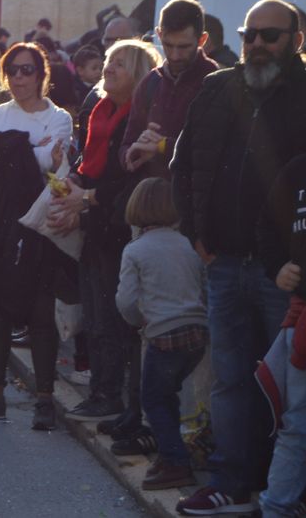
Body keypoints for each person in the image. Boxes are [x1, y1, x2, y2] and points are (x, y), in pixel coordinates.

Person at [171, 0, 306, 516]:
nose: (256, 45)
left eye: (269, 35)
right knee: (231, 378)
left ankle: (287, 489)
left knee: (288, 388)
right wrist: (195, 231)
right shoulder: (216, 89)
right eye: (248, 34)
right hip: (225, 263)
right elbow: (183, 164)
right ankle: (229, 482)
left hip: (288, 275)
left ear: (295, 40)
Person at [0, 42, 74, 430]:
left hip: (39, 224)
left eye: (29, 70)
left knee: (42, 312)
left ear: (42, 75)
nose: (21, 77)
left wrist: (7, 151)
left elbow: (57, 161)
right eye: (14, 70)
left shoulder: (58, 118)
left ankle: (45, 399)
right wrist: (32, 153)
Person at [51, 40, 159, 441]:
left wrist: (88, 195)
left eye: (119, 64)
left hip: (119, 230)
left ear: (140, 76)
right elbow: (89, 165)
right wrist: (73, 180)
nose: (108, 69)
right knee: (94, 317)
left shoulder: (137, 120)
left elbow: (127, 180)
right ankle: (101, 391)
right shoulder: (99, 112)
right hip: (94, 227)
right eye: (108, 62)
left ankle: (114, 396)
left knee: (115, 319)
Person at [252, 64, 306, 518]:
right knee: (300, 425)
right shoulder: (299, 170)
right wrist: (276, 267)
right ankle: (276, 508)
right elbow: (267, 228)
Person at [114, 178, 209, 491]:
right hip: (197, 332)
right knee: (167, 395)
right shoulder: (188, 244)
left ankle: (175, 460)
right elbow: (205, 286)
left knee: (153, 399)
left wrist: (140, 320)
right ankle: (173, 453)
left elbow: (125, 300)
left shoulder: (135, 250)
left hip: (163, 335)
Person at [121, 0, 217, 181]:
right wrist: (132, 153)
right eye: (168, 45)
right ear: (158, 34)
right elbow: (126, 143)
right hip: (150, 199)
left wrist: (162, 146)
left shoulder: (215, 82)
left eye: (183, 47)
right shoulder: (151, 81)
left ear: (202, 40)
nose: (175, 55)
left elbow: (212, 149)